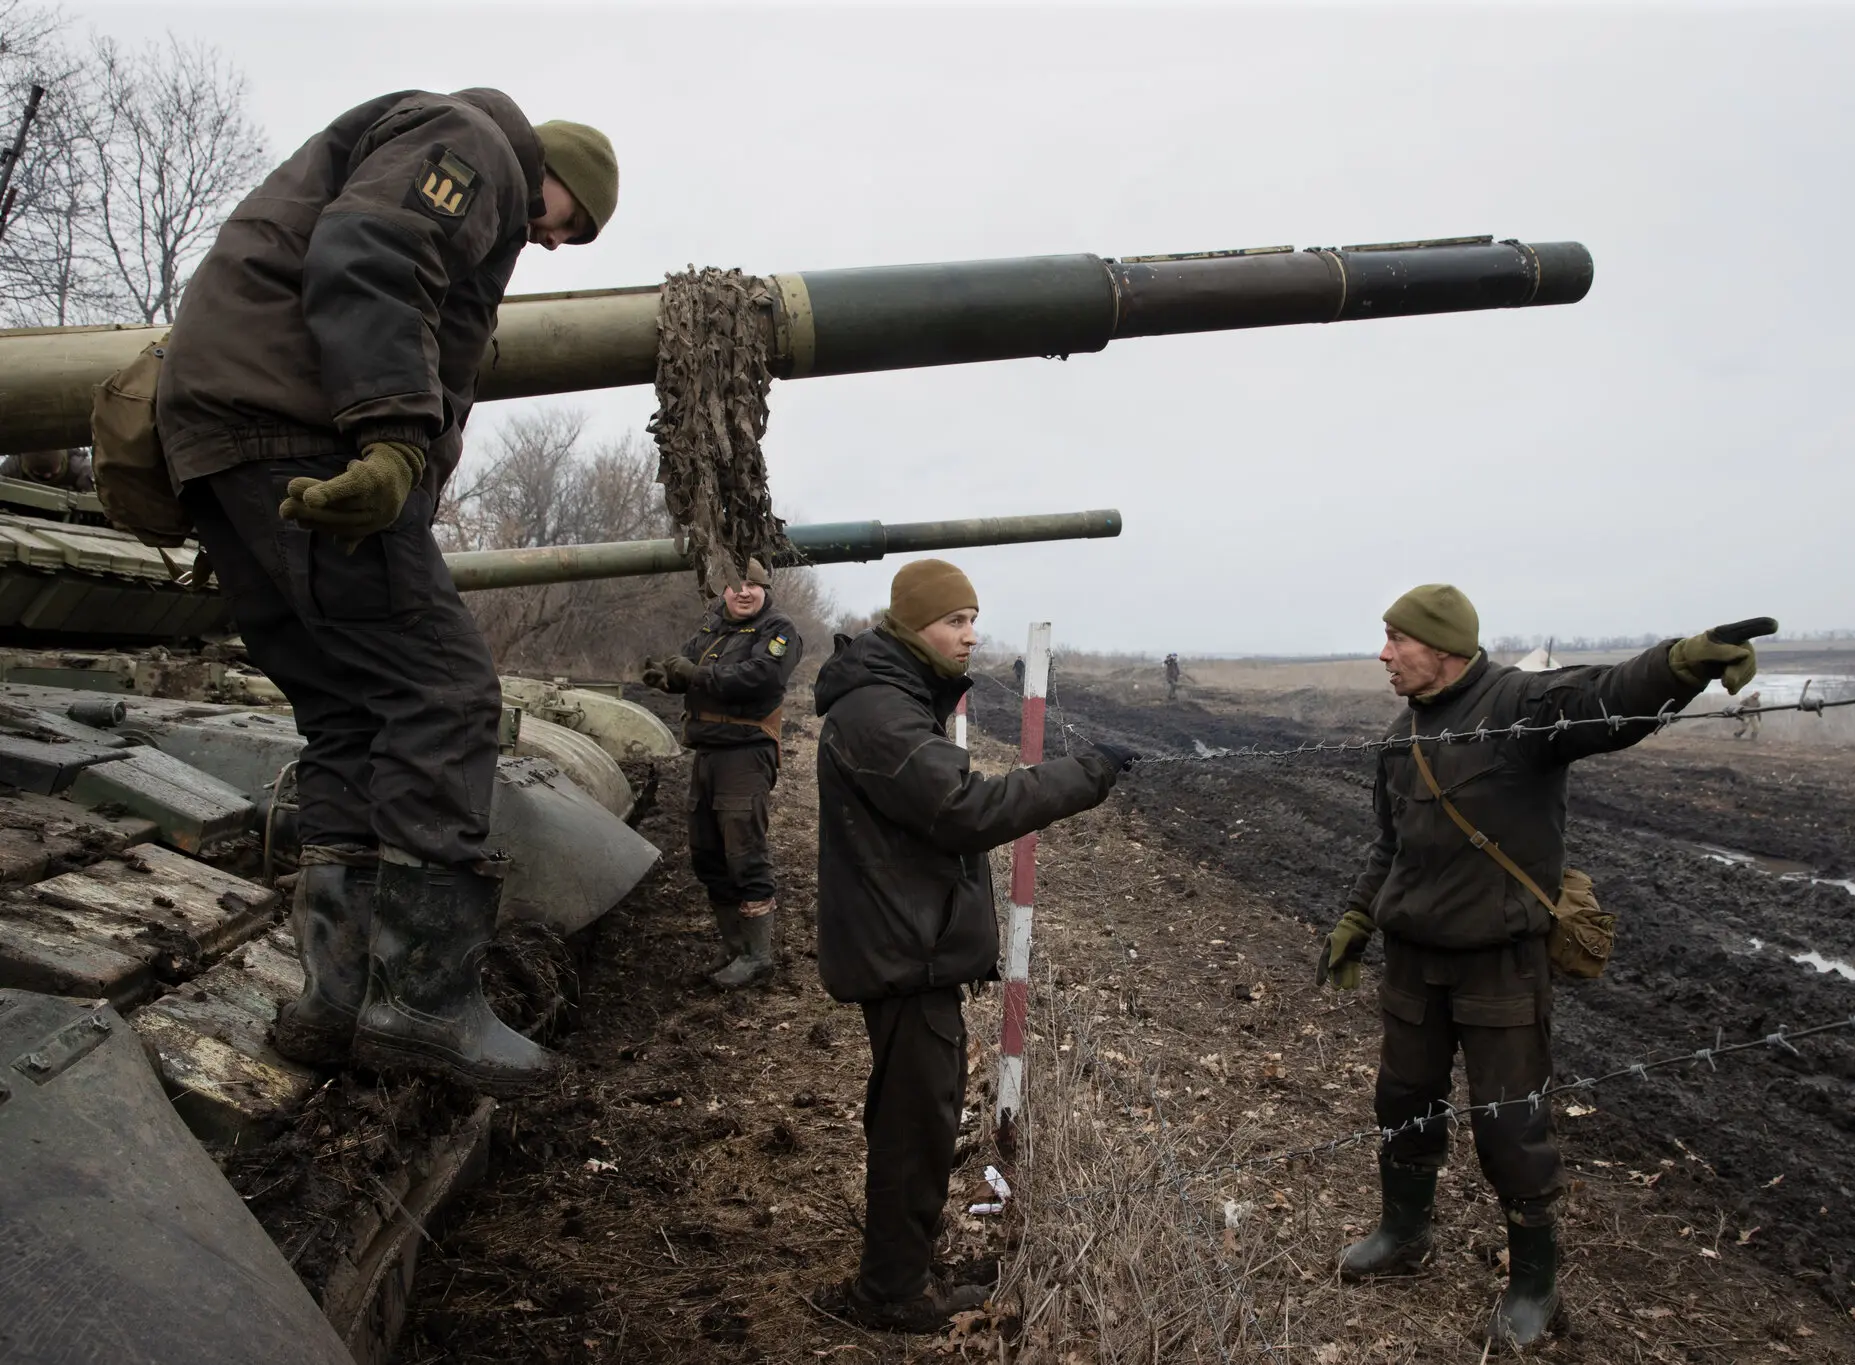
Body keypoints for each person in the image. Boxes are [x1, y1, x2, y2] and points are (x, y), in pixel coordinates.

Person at [156, 89, 619, 1098]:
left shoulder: (427, 141)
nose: (547, 241)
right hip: (303, 434)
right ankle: (423, 1007)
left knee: (346, 713)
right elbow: (372, 253)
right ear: (549, 173)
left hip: (225, 442)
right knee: (444, 695)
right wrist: (395, 434)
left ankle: (339, 998)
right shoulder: (476, 147)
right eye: (562, 220)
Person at [1318, 584, 1756, 1347]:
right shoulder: (1399, 739)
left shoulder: (1518, 706)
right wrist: (1359, 915)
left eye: (1397, 639)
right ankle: (1406, 1232)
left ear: (1444, 646)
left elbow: (1606, 698)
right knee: (1402, 1099)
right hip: (1415, 964)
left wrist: (1680, 665)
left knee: (1510, 1128)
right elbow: (1391, 847)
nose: (1383, 654)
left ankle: (1534, 1284)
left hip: (1500, 965)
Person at [812, 559, 1136, 1332]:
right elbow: (964, 807)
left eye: (973, 616)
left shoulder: (888, 700)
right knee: (913, 1124)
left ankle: (902, 1268)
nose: (971, 632)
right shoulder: (879, 715)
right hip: (904, 955)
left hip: (904, 946)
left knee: (915, 1116)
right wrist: (1081, 775)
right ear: (912, 624)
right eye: (955, 619)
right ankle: (891, 1294)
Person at [641, 558, 802, 987]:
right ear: (722, 591)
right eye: (735, 585)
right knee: (707, 852)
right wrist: (668, 678)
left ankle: (758, 955)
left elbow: (760, 678)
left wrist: (696, 674)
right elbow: (692, 670)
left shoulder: (778, 631)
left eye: (753, 584)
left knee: (744, 851)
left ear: (766, 588)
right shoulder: (713, 628)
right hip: (709, 752)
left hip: (746, 753)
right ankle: (733, 946)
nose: (743, 592)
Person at [0, 448, 94, 492]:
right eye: (39, 473)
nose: (47, 476)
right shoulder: (12, 467)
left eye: (52, 472)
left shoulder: (79, 468)